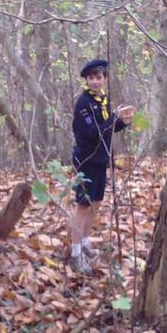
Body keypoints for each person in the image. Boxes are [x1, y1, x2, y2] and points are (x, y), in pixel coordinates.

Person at [69, 58, 135, 273]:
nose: (95, 82)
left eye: (99, 77)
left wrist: (122, 122)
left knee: (96, 202)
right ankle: (75, 253)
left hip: (101, 160)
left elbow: (108, 129)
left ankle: (86, 244)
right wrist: (114, 118)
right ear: (87, 80)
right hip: (86, 160)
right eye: (91, 78)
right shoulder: (84, 103)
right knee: (83, 204)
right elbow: (93, 132)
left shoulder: (103, 100)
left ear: (105, 79)